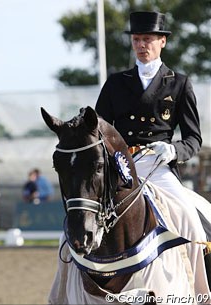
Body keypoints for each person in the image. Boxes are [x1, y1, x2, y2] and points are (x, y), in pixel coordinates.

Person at [95, 11, 211, 291]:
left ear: (162, 42)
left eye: (147, 39)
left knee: (190, 221)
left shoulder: (179, 83)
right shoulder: (116, 82)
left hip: (158, 166)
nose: (141, 45)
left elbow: (194, 138)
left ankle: (199, 291)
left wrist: (173, 150)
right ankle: (65, 291)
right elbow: (98, 129)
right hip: (122, 165)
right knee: (78, 223)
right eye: (137, 40)